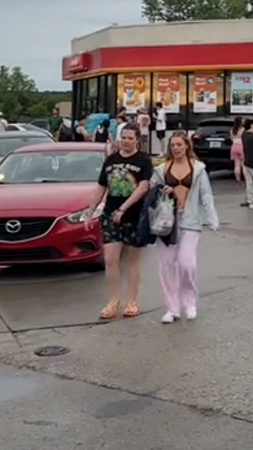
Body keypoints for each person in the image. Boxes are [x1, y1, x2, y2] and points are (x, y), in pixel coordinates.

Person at [155, 132, 220, 323]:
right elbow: (152, 193)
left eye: (179, 145)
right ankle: (172, 308)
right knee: (167, 266)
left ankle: (190, 302)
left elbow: (206, 195)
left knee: (186, 264)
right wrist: (162, 191)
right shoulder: (162, 169)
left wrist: (212, 218)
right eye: (172, 145)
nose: (176, 148)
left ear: (186, 146)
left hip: (191, 220)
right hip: (167, 222)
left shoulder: (198, 168)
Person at [90, 125, 154, 319]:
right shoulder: (111, 160)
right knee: (110, 260)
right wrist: (91, 209)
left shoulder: (143, 161)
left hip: (134, 216)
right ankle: (113, 300)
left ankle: (132, 300)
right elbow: (102, 185)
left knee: (133, 261)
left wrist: (124, 208)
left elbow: (142, 187)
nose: (125, 141)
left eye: (129, 138)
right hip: (110, 214)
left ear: (137, 140)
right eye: (123, 138)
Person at [229, 116, 246, 183]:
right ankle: (246, 178)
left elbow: (231, 138)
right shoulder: (243, 130)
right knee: (243, 164)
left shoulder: (232, 130)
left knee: (237, 164)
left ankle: (238, 179)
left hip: (234, 146)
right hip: (241, 146)